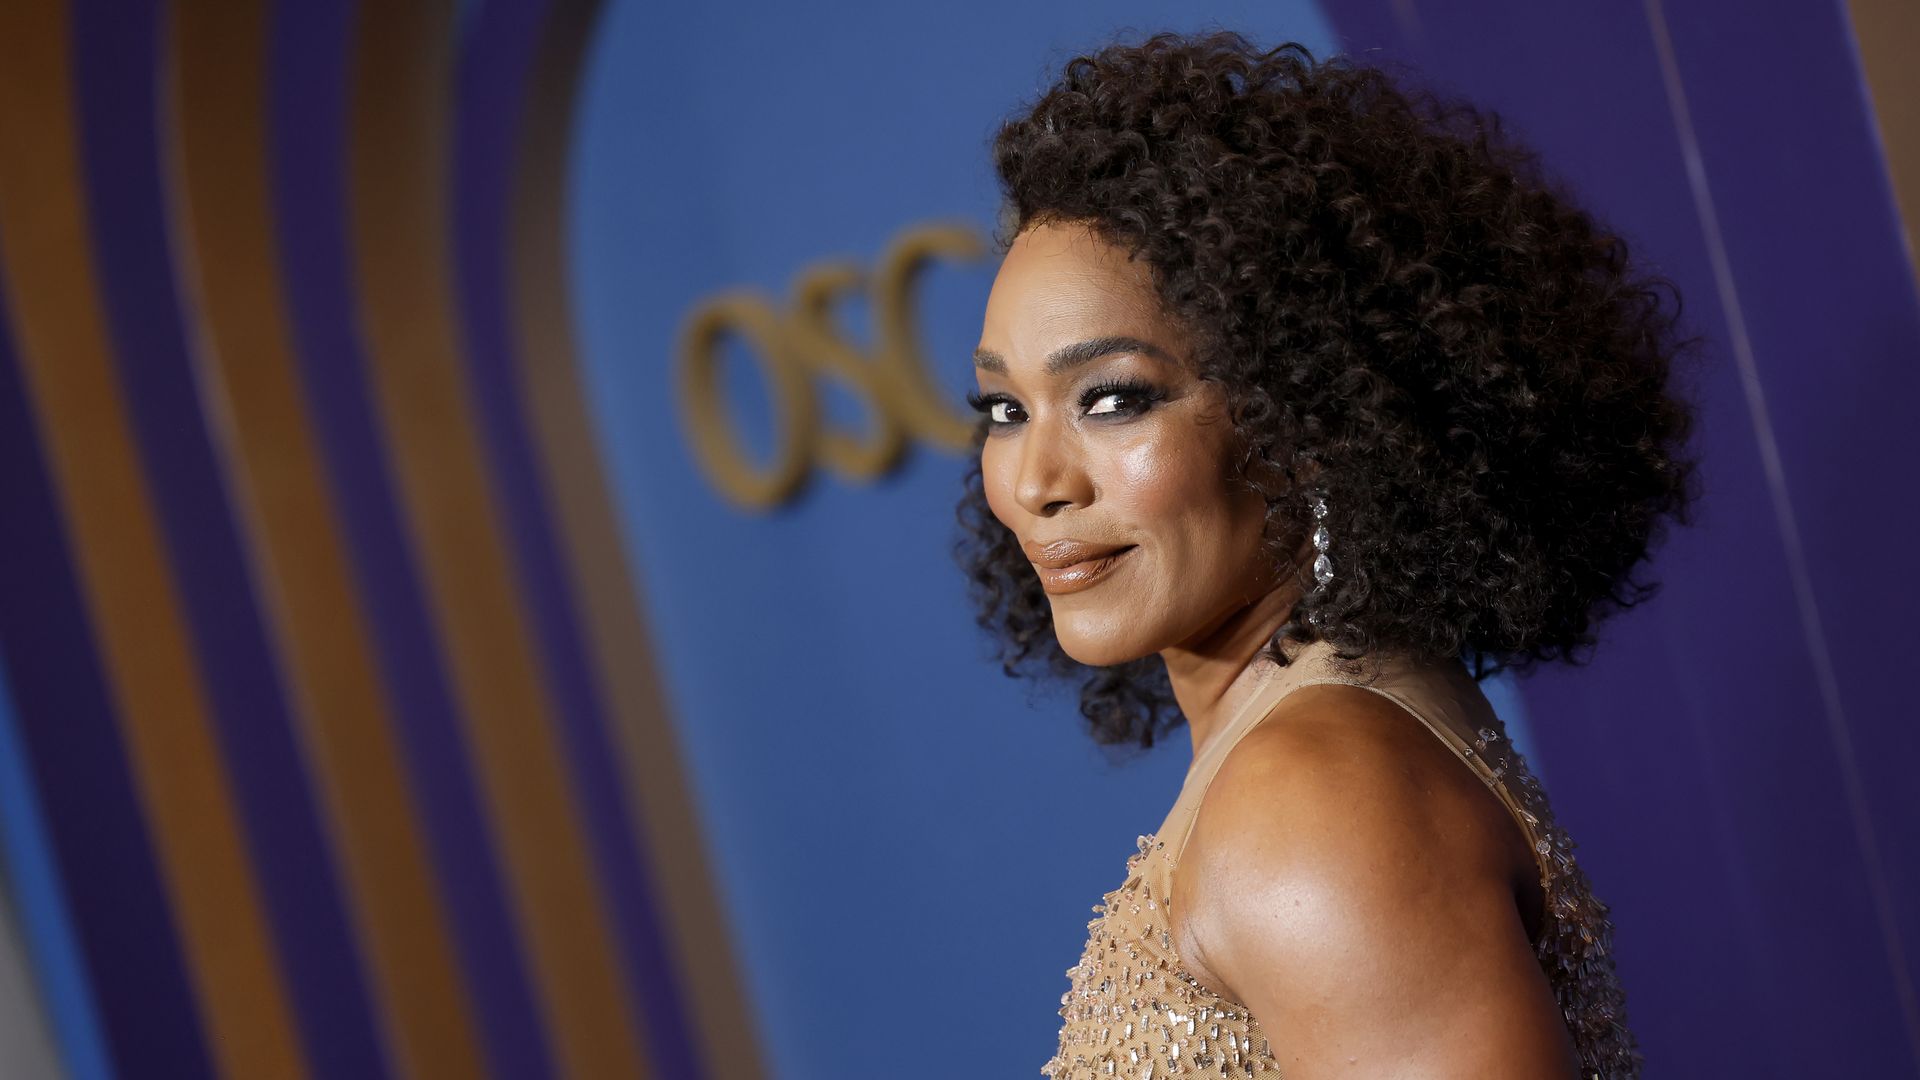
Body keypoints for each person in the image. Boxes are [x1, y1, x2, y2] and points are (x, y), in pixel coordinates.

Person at [954, 30, 1699, 1080]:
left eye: (1113, 400)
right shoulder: (1340, 735)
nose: (1036, 481)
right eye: (1003, 407)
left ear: (1306, 411)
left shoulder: (1313, 801)